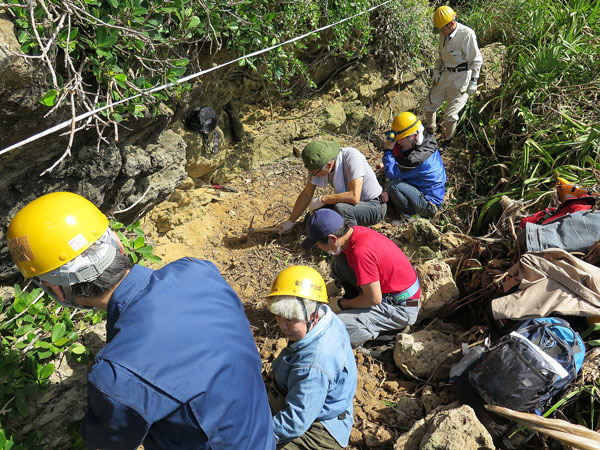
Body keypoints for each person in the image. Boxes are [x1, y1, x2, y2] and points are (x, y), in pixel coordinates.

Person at [6, 192, 275, 450]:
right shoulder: (199, 270)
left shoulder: (116, 375)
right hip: (260, 434)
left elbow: (108, 444)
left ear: (58, 290)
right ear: (118, 244)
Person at [265, 265, 357, 449]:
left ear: (313, 314)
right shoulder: (326, 316)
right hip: (310, 403)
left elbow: (295, 421)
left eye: (290, 318)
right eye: (278, 316)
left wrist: (258, 434)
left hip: (320, 429)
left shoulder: (314, 364)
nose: (282, 326)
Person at [301, 209, 421, 348]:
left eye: (318, 244)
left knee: (337, 326)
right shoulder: (355, 232)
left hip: (402, 307)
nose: (319, 247)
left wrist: (340, 305)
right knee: (339, 261)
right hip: (391, 291)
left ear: (332, 238)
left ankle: (389, 334)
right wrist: (334, 287)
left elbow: (374, 299)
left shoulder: (360, 252)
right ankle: (356, 302)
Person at [280, 141, 386, 233]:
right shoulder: (317, 167)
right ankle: (328, 239)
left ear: (329, 165)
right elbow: (307, 194)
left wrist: (323, 199)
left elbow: (354, 196)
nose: (313, 175)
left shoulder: (351, 157)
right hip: (351, 204)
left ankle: (351, 242)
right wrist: (290, 222)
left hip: (374, 205)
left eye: (315, 173)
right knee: (311, 219)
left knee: (342, 209)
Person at [423, 5, 483, 140]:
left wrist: (474, 81)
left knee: (450, 114)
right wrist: (437, 70)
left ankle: (447, 139)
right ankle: (430, 130)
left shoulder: (466, 34)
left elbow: (476, 60)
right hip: (446, 73)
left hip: (461, 77)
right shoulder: (443, 34)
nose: (441, 32)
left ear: (451, 24)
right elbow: (440, 56)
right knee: (429, 103)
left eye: (443, 29)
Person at [378, 112, 446, 218]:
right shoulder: (425, 141)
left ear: (414, 136)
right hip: (420, 188)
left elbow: (391, 173)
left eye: (401, 138)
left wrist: (388, 152)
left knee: (393, 185)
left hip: (429, 205)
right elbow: (402, 162)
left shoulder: (417, 159)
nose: (398, 142)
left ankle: (408, 217)